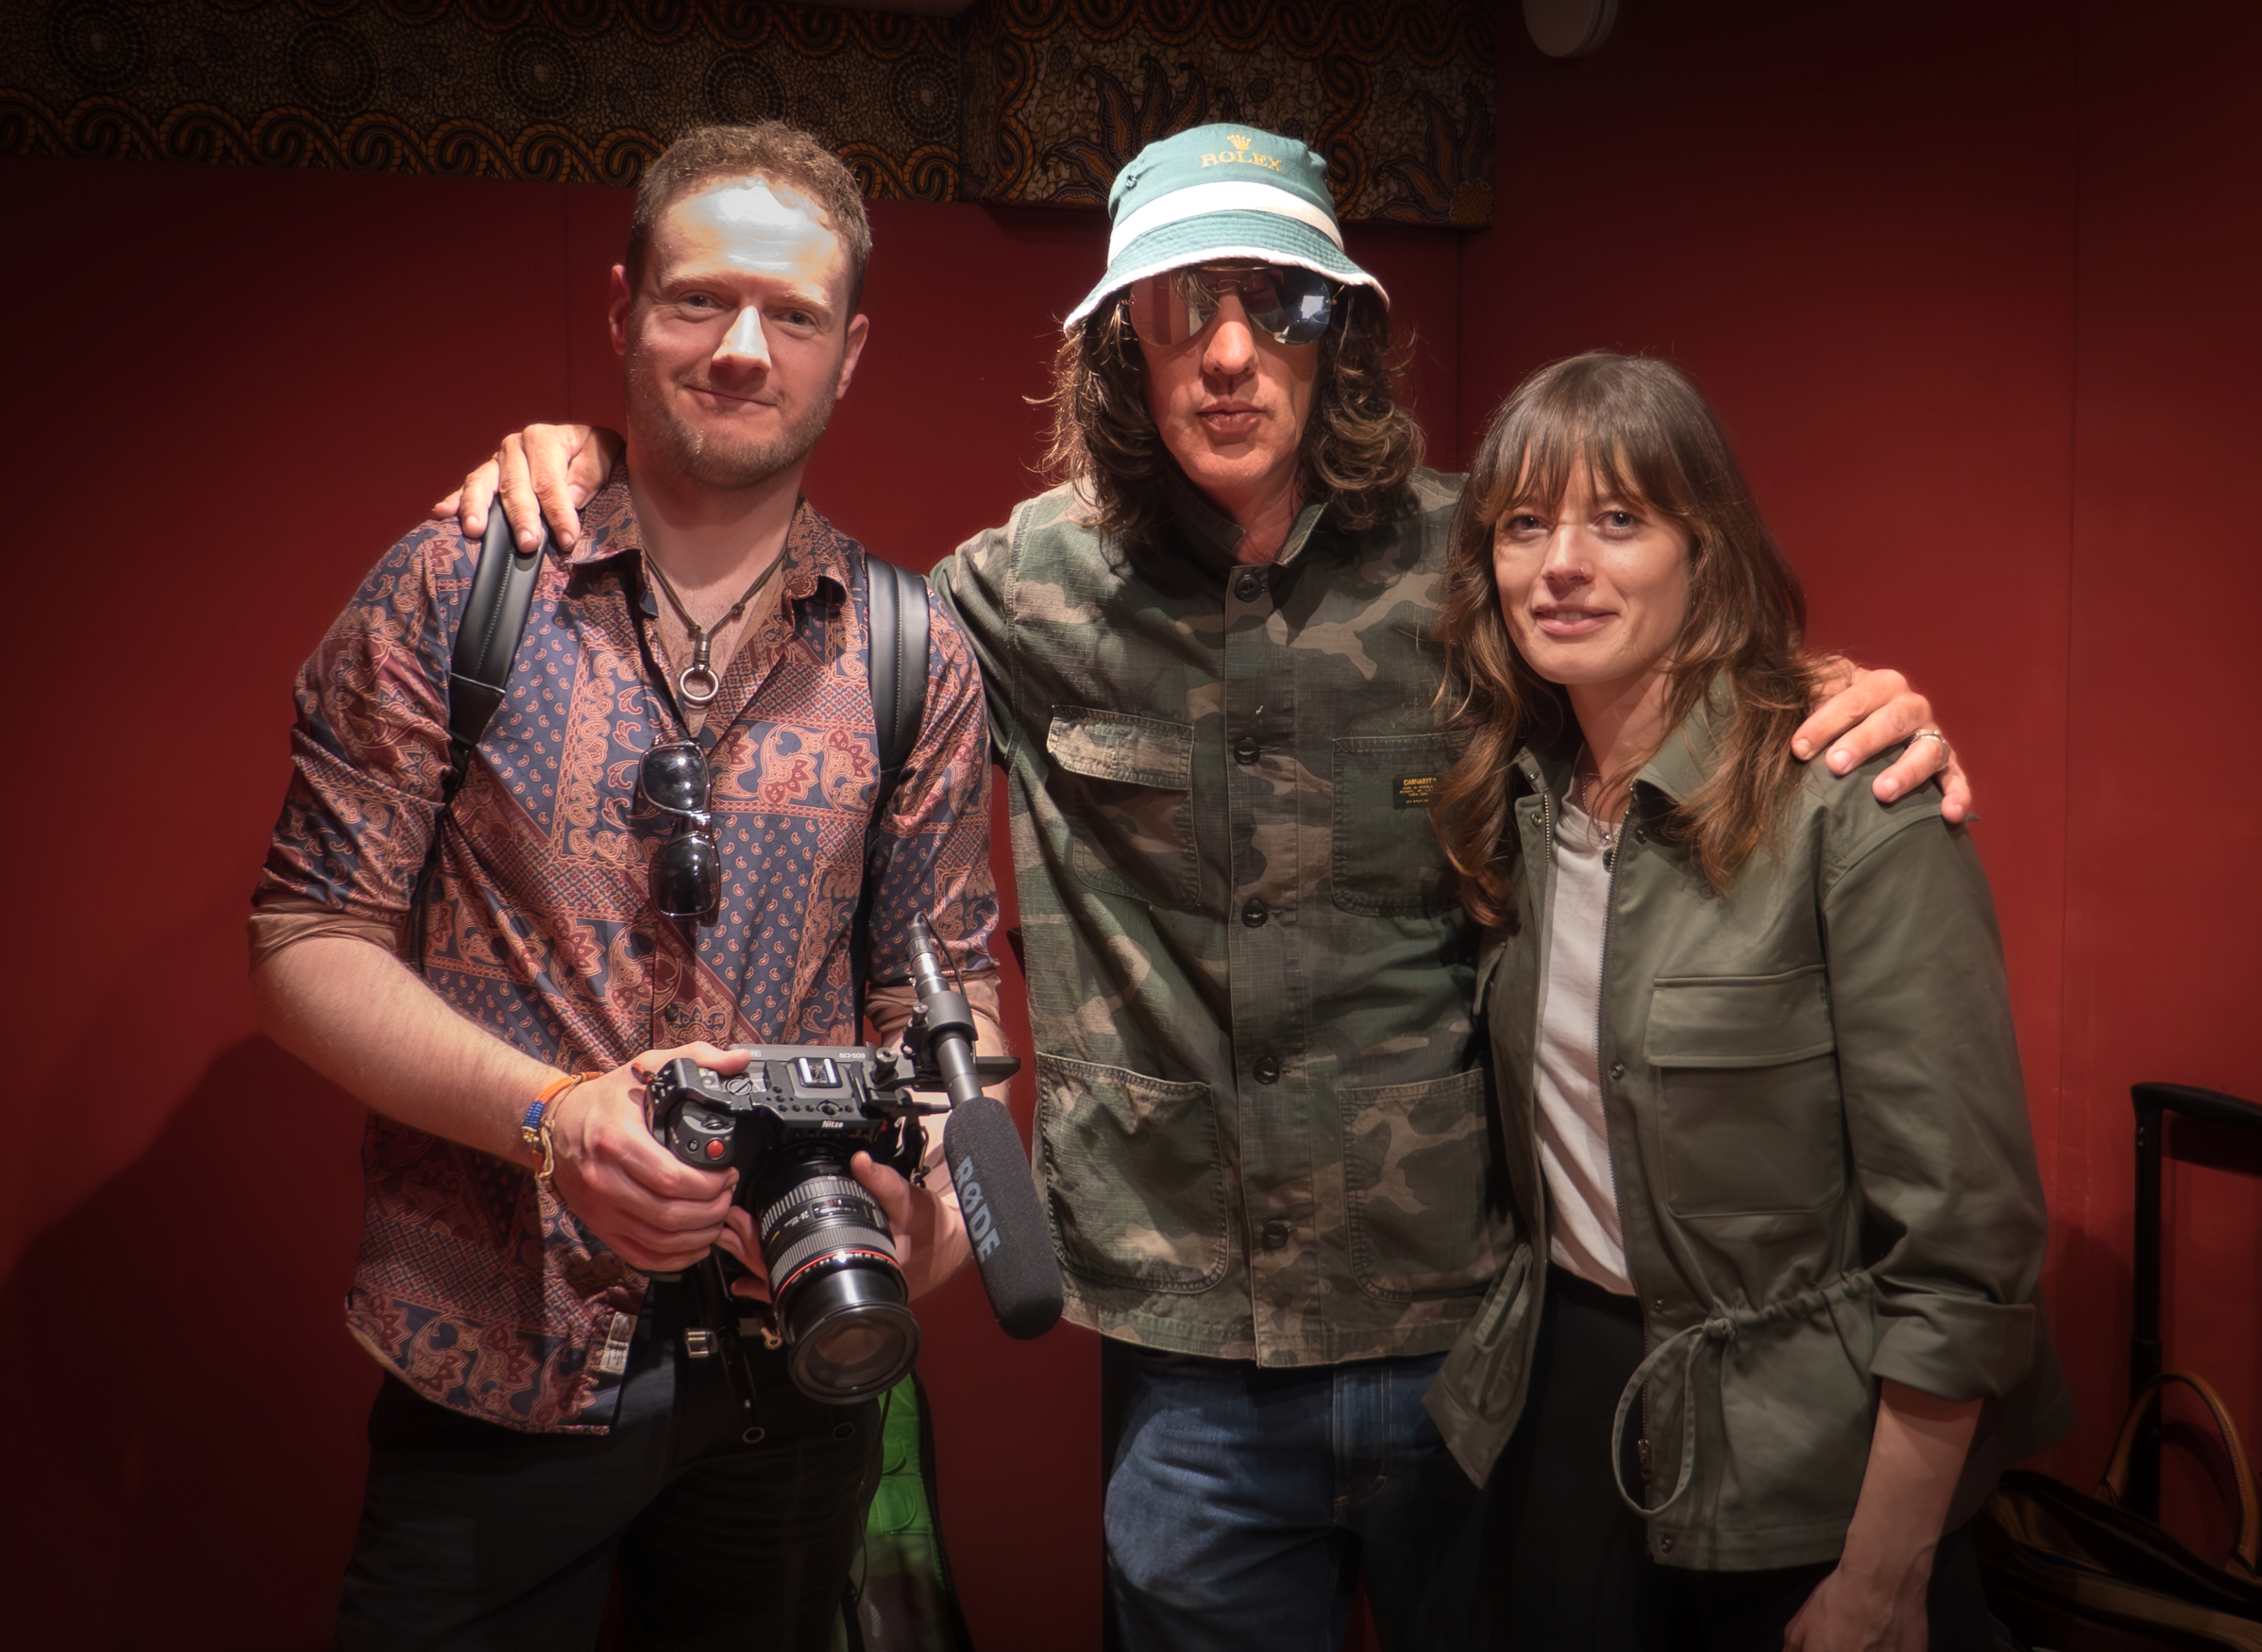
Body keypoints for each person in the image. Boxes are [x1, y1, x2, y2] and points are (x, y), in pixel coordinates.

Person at [444, 127, 1966, 1651]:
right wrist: (592, 459)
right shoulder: (1019, 588)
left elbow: (1665, 667)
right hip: (1189, 1369)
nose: (1232, 354)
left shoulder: (1474, 567)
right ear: (1124, 344)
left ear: (1338, 334)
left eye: (1278, 304)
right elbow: (796, 608)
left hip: (1472, 1343)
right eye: (1184, 307)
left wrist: (1830, 697)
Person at [251, 120, 1007, 1648]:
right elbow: (303, 941)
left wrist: (934, 1186)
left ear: (849, 352)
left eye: (792, 315)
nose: (743, 348)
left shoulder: (914, 652)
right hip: (492, 1352)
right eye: (698, 300)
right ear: (620, 311)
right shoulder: (460, 584)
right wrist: (553, 1117)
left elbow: (948, 991)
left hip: (795, 1356)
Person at [1422, 352, 2069, 1651]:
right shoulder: (1513, 798)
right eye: (1524, 524)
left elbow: (1964, 1252)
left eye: (1619, 519)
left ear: (1700, 546)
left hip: (1812, 1460)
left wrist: (1884, 1577)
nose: (1562, 563)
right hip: (1569, 1412)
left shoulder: (1851, 802)